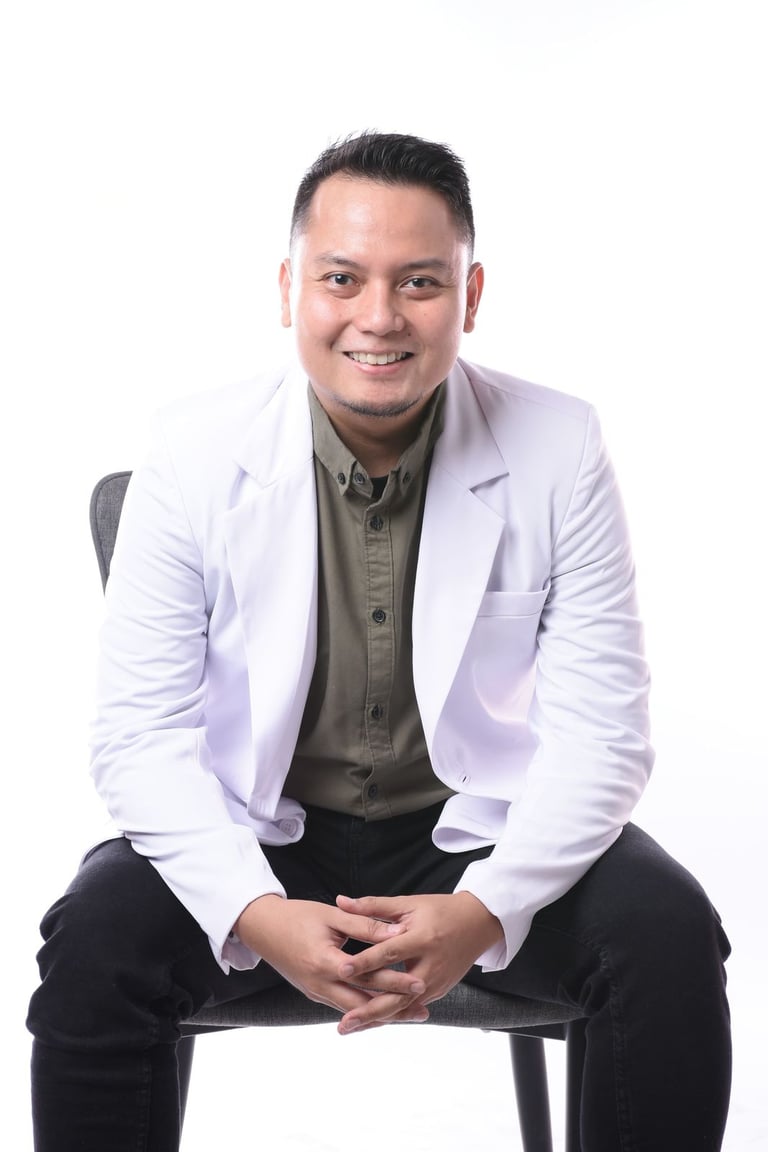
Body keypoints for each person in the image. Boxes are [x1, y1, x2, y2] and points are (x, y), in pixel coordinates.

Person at [27, 131, 731, 1150]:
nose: (379, 316)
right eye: (342, 278)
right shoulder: (191, 450)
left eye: (420, 282)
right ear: (289, 289)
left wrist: (483, 911)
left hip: (470, 837)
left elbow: (603, 738)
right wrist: (255, 912)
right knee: (95, 941)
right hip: (259, 833)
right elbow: (139, 740)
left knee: (663, 932)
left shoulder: (560, 445)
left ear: (470, 296)